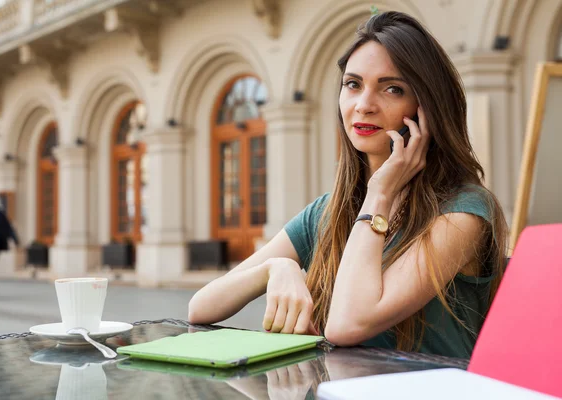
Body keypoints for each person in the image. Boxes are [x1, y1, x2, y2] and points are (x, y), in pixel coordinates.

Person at [188, 11, 508, 358]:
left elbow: (347, 324)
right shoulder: (327, 212)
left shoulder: (464, 211)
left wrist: (380, 193)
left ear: (425, 108)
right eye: (353, 85)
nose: (364, 105)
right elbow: (201, 307)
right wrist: (275, 267)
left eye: (392, 88)